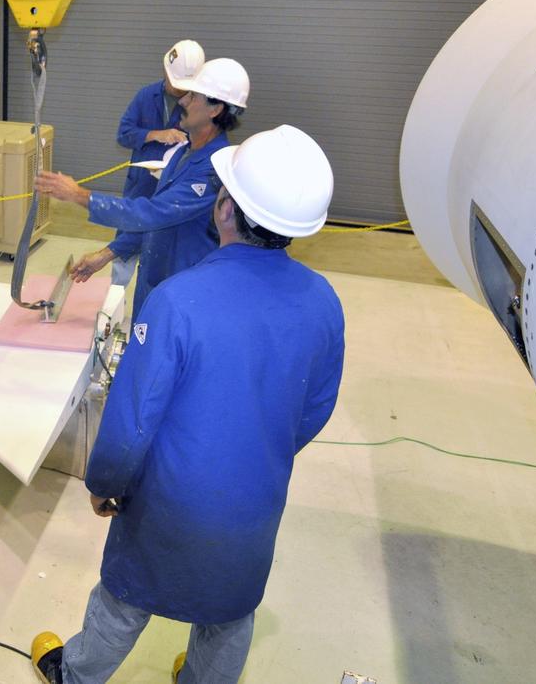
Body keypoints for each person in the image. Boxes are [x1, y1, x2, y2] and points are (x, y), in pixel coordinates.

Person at [31, 124, 346, 684]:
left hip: (171, 497)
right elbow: (316, 407)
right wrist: (257, 453)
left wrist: (104, 482)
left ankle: (75, 675)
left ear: (226, 208)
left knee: (125, 597)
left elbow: (132, 422)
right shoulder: (324, 300)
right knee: (230, 608)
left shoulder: (178, 301)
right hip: (256, 495)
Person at [34, 58, 250, 321]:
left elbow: (153, 213)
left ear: (215, 109)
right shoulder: (183, 152)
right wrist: (107, 254)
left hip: (183, 294)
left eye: (193, 96)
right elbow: (153, 223)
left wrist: (79, 195)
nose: (182, 101)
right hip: (155, 281)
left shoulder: (213, 169)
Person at [109, 39, 204, 286]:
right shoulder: (146, 96)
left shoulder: (199, 105)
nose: (180, 91)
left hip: (172, 194)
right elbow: (124, 133)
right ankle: (114, 301)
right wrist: (154, 135)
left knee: (161, 255)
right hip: (139, 187)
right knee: (124, 247)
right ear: (165, 70)